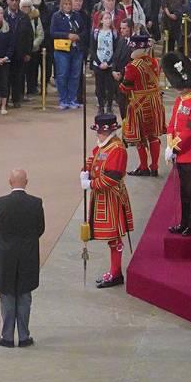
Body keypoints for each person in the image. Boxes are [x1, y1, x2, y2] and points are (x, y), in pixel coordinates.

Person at [0, 168, 44, 348]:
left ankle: (7, 337)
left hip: (5, 257)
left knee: (8, 296)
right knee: (25, 295)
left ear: (10, 182)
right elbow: (40, 229)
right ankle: (24, 336)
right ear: (26, 182)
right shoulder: (36, 203)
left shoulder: (0, 203)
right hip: (27, 256)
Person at [81, 113, 134, 288]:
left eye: (99, 132)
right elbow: (94, 159)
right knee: (112, 238)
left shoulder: (117, 149)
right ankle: (114, 271)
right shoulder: (104, 146)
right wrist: (86, 170)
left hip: (112, 197)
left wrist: (91, 183)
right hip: (102, 196)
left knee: (114, 238)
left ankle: (116, 273)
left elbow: (112, 177)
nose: (97, 135)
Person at [163, 52, 191, 236]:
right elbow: (172, 123)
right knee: (183, 192)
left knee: (190, 192)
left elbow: (190, 132)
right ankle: (183, 222)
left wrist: (175, 147)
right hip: (178, 153)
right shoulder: (180, 100)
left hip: (190, 153)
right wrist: (168, 144)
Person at [119, 33, 166, 178]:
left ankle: (144, 166)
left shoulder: (131, 67)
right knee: (153, 136)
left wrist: (120, 83)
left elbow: (125, 88)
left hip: (139, 104)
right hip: (155, 102)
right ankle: (155, 166)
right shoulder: (155, 62)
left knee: (139, 138)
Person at [50, 0, 84, 110]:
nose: (68, 6)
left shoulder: (77, 16)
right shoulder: (56, 16)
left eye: (69, 4)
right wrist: (67, 35)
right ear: (61, 5)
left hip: (76, 49)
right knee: (62, 74)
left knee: (75, 75)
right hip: (62, 50)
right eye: (65, 4)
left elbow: (84, 30)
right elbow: (53, 32)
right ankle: (63, 99)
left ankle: (72, 99)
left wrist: (78, 36)